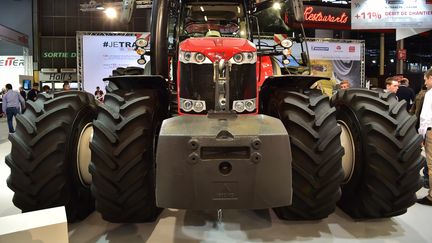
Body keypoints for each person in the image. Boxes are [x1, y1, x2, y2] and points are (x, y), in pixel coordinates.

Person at [417, 67, 432, 205]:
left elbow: (426, 117)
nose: (425, 83)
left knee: (431, 165)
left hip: (431, 131)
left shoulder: (429, 94)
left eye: (426, 80)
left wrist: (421, 136)